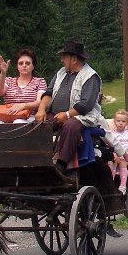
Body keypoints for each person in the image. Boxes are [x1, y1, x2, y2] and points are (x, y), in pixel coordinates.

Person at [35, 39, 106, 178]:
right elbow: (48, 93)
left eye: (64, 56)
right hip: (55, 113)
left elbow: (85, 105)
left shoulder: (90, 76)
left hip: (82, 116)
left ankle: (61, 164)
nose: (61, 60)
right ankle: (38, 162)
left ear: (74, 59)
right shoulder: (61, 73)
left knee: (70, 126)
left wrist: (67, 114)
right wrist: (41, 109)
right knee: (38, 125)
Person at [0, 49, 48, 122]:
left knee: (18, 121)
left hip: (29, 117)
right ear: (17, 66)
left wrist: (23, 106)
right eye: (21, 63)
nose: (24, 65)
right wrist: (3, 73)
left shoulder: (39, 81)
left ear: (33, 66)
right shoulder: (9, 81)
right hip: (8, 116)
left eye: (27, 63)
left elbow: (40, 102)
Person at [108, 109, 128, 193]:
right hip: (115, 156)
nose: (120, 123)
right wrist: (115, 155)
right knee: (111, 163)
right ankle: (110, 184)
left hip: (126, 157)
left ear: (127, 123)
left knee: (122, 163)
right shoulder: (112, 134)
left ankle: (123, 186)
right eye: (118, 121)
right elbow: (110, 146)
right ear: (114, 122)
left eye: (123, 121)